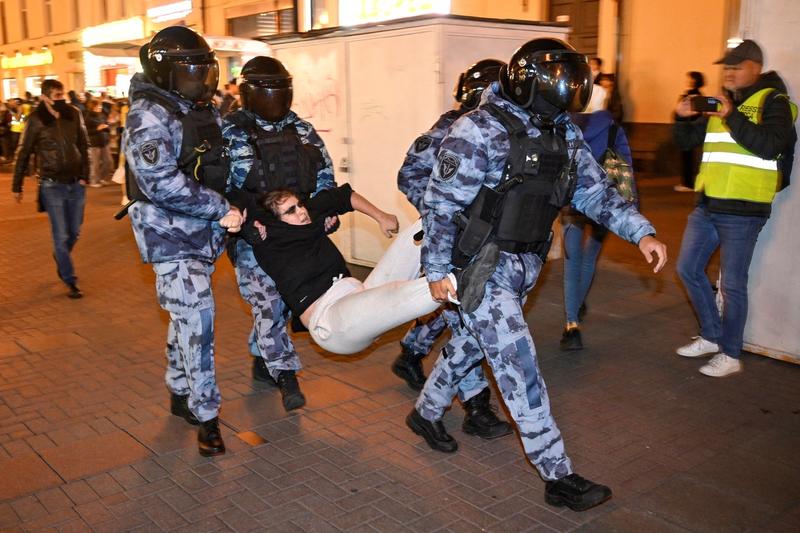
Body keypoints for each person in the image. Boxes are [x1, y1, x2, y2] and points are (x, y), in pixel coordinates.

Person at [410, 38, 668, 512]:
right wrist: (436, 269)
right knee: (518, 363)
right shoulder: (478, 130)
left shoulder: (561, 132)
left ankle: (425, 413)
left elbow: (595, 193)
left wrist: (642, 233)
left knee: (469, 346)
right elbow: (441, 206)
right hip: (482, 267)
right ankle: (557, 473)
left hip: (525, 265)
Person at [125, 27, 243, 456]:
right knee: (199, 320)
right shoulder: (148, 115)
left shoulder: (195, 108)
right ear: (164, 71)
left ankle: (179, 389)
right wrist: (221, 209)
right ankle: (207, 417)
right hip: (169, 235)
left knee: (185, 316)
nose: (203, 79)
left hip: (202, 234)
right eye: (192, 70)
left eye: (204, 69)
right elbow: (160, 184)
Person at [394, 58, 512, 440]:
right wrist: (441, 215)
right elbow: (409, 175)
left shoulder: (504, 129)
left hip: (487, 245)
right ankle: (475, 409)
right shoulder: (450, 128)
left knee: (455, 317)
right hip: (455, 245)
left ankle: (410, 355)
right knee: (466, 324)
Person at [673, 39, 796, 377]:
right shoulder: (723, 102)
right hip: (709, 203)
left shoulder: (774, 101)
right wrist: (683, 118)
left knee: (733, 285)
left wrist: (732, 116)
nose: (728, 71)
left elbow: (771, 146)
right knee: (687, 269)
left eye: (736, 65)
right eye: (726, 65)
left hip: (744, 209)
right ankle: (712, 335)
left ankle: (731, 353)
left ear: (755, 67)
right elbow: (686, 142)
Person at [223, 56, 336, 411]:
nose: (275, 97)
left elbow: (323, 176)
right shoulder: (230, 133)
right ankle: (286, 375)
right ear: (248, 93)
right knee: (269, 305)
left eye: (280, 89)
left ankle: (263, 354)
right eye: (267, 90)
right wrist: (241, 218)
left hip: (297, 236)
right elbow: (217, 187)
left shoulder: (302, 130)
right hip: (254, 239)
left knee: (286, 304)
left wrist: (324, 211)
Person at [239, 185, 447, 355]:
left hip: (360, 296)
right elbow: (238, 202)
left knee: (419, 232)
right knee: (400, 293)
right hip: (332, 323)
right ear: (274, 221)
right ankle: (459, 283)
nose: (301, 211)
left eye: (299, 205)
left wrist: (381, 216)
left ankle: (458, 246)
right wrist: (239, 221)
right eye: (291, 211)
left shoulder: (310, 215)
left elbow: (344, 196)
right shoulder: (269, 239)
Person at [559, 110, 635, 350]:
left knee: (572, 262)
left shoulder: (564, 124)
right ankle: (577, 303)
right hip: (605, 200)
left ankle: (572, 326)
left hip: (573, 200)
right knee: (589, 257)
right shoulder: (612, 126)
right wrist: (632, 211)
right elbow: (625, 167)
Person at [12, 79, 89, 299]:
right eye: (56, 96)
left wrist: (85, 176)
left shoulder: (73, 113)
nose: (61, 99)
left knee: (74, 232)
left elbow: (83, 144)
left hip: (76, 183)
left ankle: (61, 255)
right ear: (45, 97)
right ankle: (70, 279)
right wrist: (17, 185)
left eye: (62, 94)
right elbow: (23, 152)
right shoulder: (36, 120)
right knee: (61, 233)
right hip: (51, 185)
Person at [674, 71, 705, 192]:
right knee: (687, 157)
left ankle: (688, 183)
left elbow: (696, 114)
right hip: (688, 128)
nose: (689, 81)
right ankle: (687, 182)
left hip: (690, 129)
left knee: (688, 158)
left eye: (691, 79)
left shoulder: (695, 95)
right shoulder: (693, 94)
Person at [85, 98, 113, 187]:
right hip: (94, 143)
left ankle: (102, 178)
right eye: (98, 106)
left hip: (104, 141)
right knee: (95, 163)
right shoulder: (88, 117)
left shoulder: (101, 115)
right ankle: (94, 180)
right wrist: (97, 129)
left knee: (108, 161)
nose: (100, 107)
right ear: (93, 106)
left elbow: (105, 126)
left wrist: (107, 127)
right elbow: (86, 132)